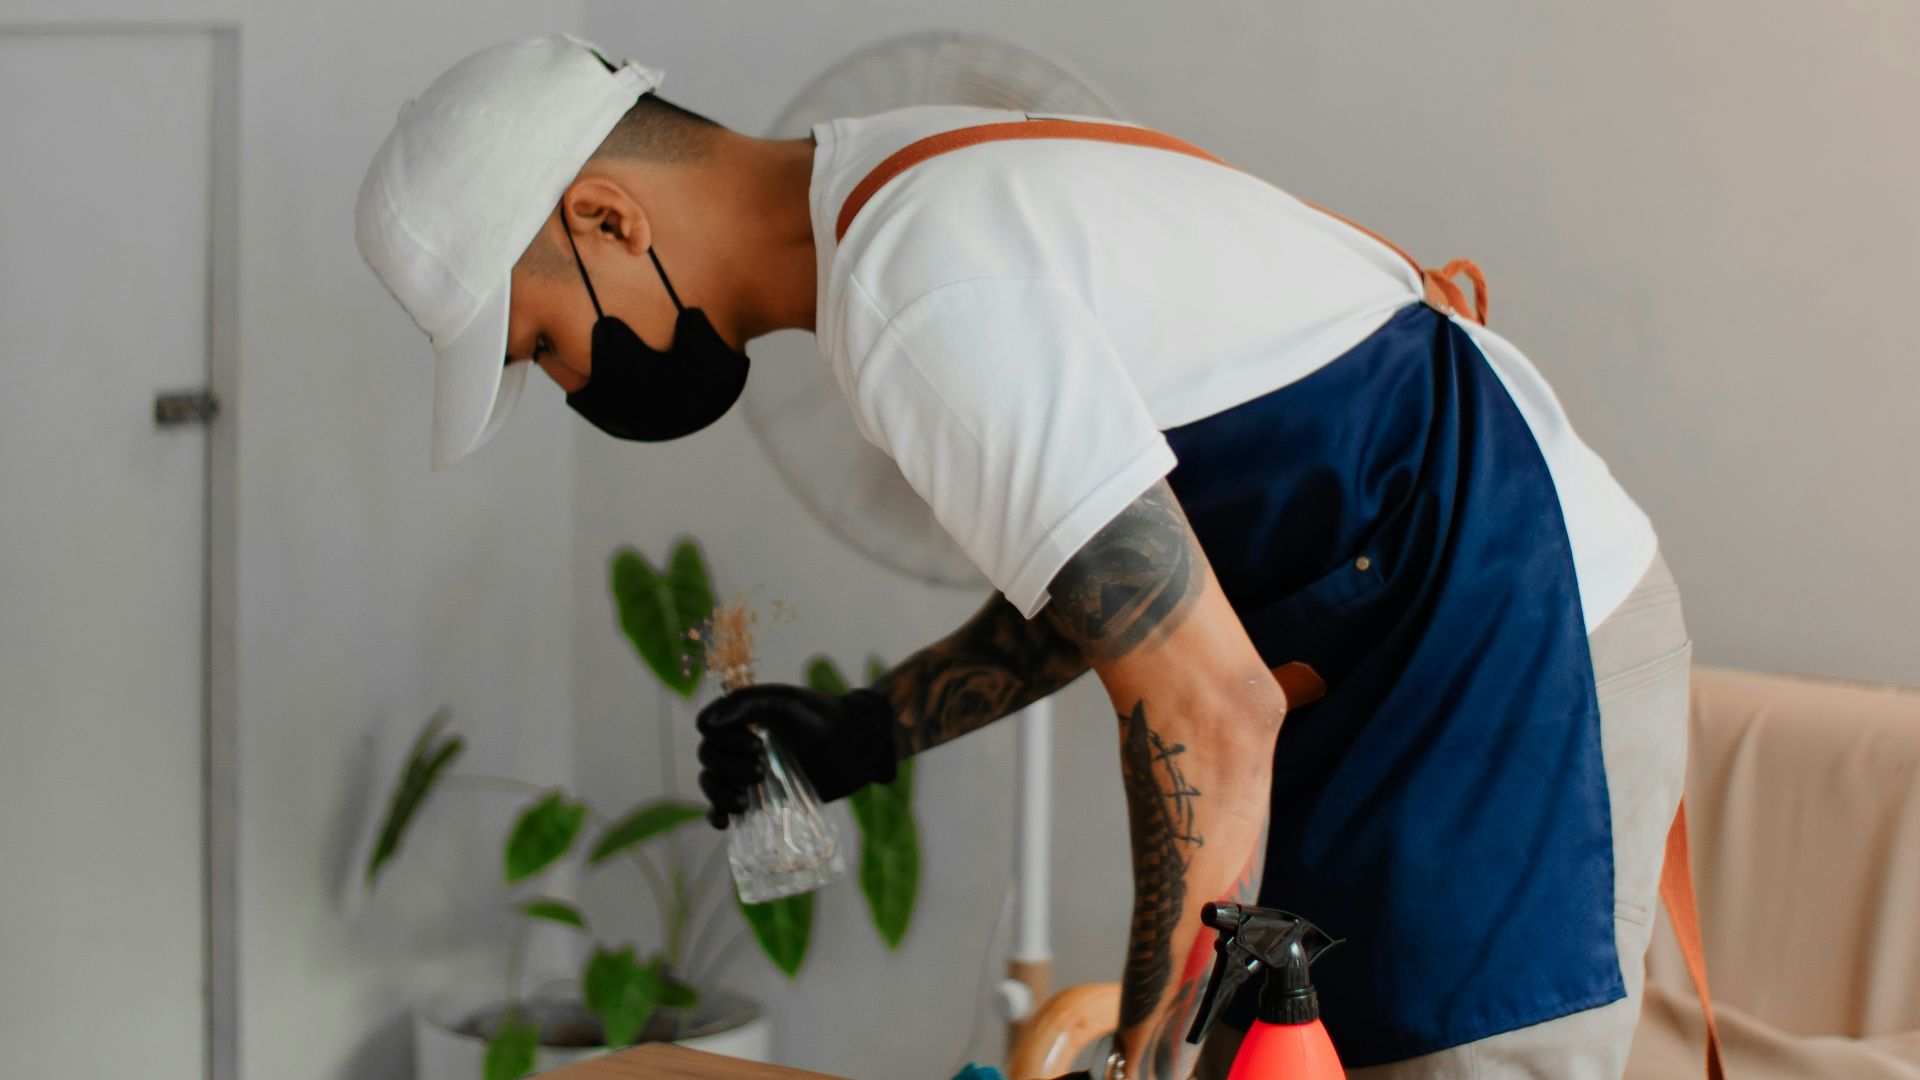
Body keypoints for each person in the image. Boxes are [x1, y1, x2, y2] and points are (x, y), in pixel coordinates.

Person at [356, 33, 1692, 1080]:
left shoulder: (916, 285)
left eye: (541, 342)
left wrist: (1140, 1066)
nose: (577, 383)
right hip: (1407, 650)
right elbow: (1127, 577)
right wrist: (868, 729)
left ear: (606, 219)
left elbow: (1203, 708)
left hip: (1503, 650)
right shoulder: (904, 196)